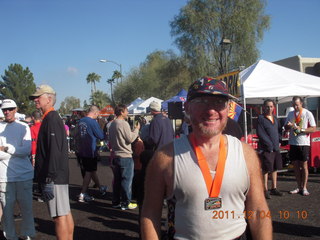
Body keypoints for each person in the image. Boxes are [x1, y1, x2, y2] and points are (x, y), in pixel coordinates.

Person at [141, 77, 272, 239]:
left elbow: (259, 211)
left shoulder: (246, 154)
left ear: (228, 108)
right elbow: (150, 213)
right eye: (202, 101)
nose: (211, 110)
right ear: (188, 107)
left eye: (219, 102)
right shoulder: (165, 157)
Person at [29, 85, 74, 240]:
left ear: (49, 99)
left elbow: (54, 151)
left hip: (54, 178)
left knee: (59, 216)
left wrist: (48, 179)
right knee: (64, 213)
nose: (35, 100)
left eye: (38, 97)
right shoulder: (51, 118)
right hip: (57, 176)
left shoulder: (52, 119)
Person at [0, 99, 35, 240]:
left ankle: (27, 234)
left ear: (15, 109)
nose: (7, 111)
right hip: (4, 177)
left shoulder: (23, 127)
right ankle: (10, 237)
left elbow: (26, 150)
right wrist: (15, 151)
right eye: (4, 109)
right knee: (7, 212)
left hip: (24, 176)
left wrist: (7, 148)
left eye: (9, 109)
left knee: (26, 210)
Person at [109, 104, 140, 210]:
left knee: (117, 181)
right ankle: (126, 202)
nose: (127, 112)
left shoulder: (112, 124)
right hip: (125, 156)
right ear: (122, 112)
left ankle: (116, 201)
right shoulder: (123, 123)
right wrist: (136, 130)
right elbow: (130, 139)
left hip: (116, 155)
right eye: (126, 111)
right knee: (126, 180)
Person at [285, 96, 316, 196]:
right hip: (293, 142)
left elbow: (313, 128)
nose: (295, 107)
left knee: (304, 165)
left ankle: (305, 187)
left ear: (301, 103)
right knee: (295, 166)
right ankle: (299, 186)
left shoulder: (307, 113)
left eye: (297, 105)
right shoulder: (290, 114)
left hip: (304, 143)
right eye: (294, 105)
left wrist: (302, 130)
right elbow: (285, 127)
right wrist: (288, 126)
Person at [77, 105, 107, 202]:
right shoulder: (92, 122)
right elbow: (100, 135)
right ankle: (82, 193)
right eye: (97, 114)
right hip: (90, 150)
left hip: (82, 150)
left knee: (91, 170)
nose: (97, 116)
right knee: (89, 172)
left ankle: (100, 187)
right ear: (95, 113)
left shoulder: (81, 121)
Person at [257, 99, 283, 199]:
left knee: (275, 168)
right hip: (267, 149)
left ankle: (274, 188)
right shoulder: (261, 118)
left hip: (276, 148)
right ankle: (265, 190)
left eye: (271, 106)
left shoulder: (275, 118)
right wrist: (269, 145)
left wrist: (279, 140)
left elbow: (279, 130)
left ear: (274, 107)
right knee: (266, 169)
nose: (269, 108)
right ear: (264, 107)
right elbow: (261, 133)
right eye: (267, 106)